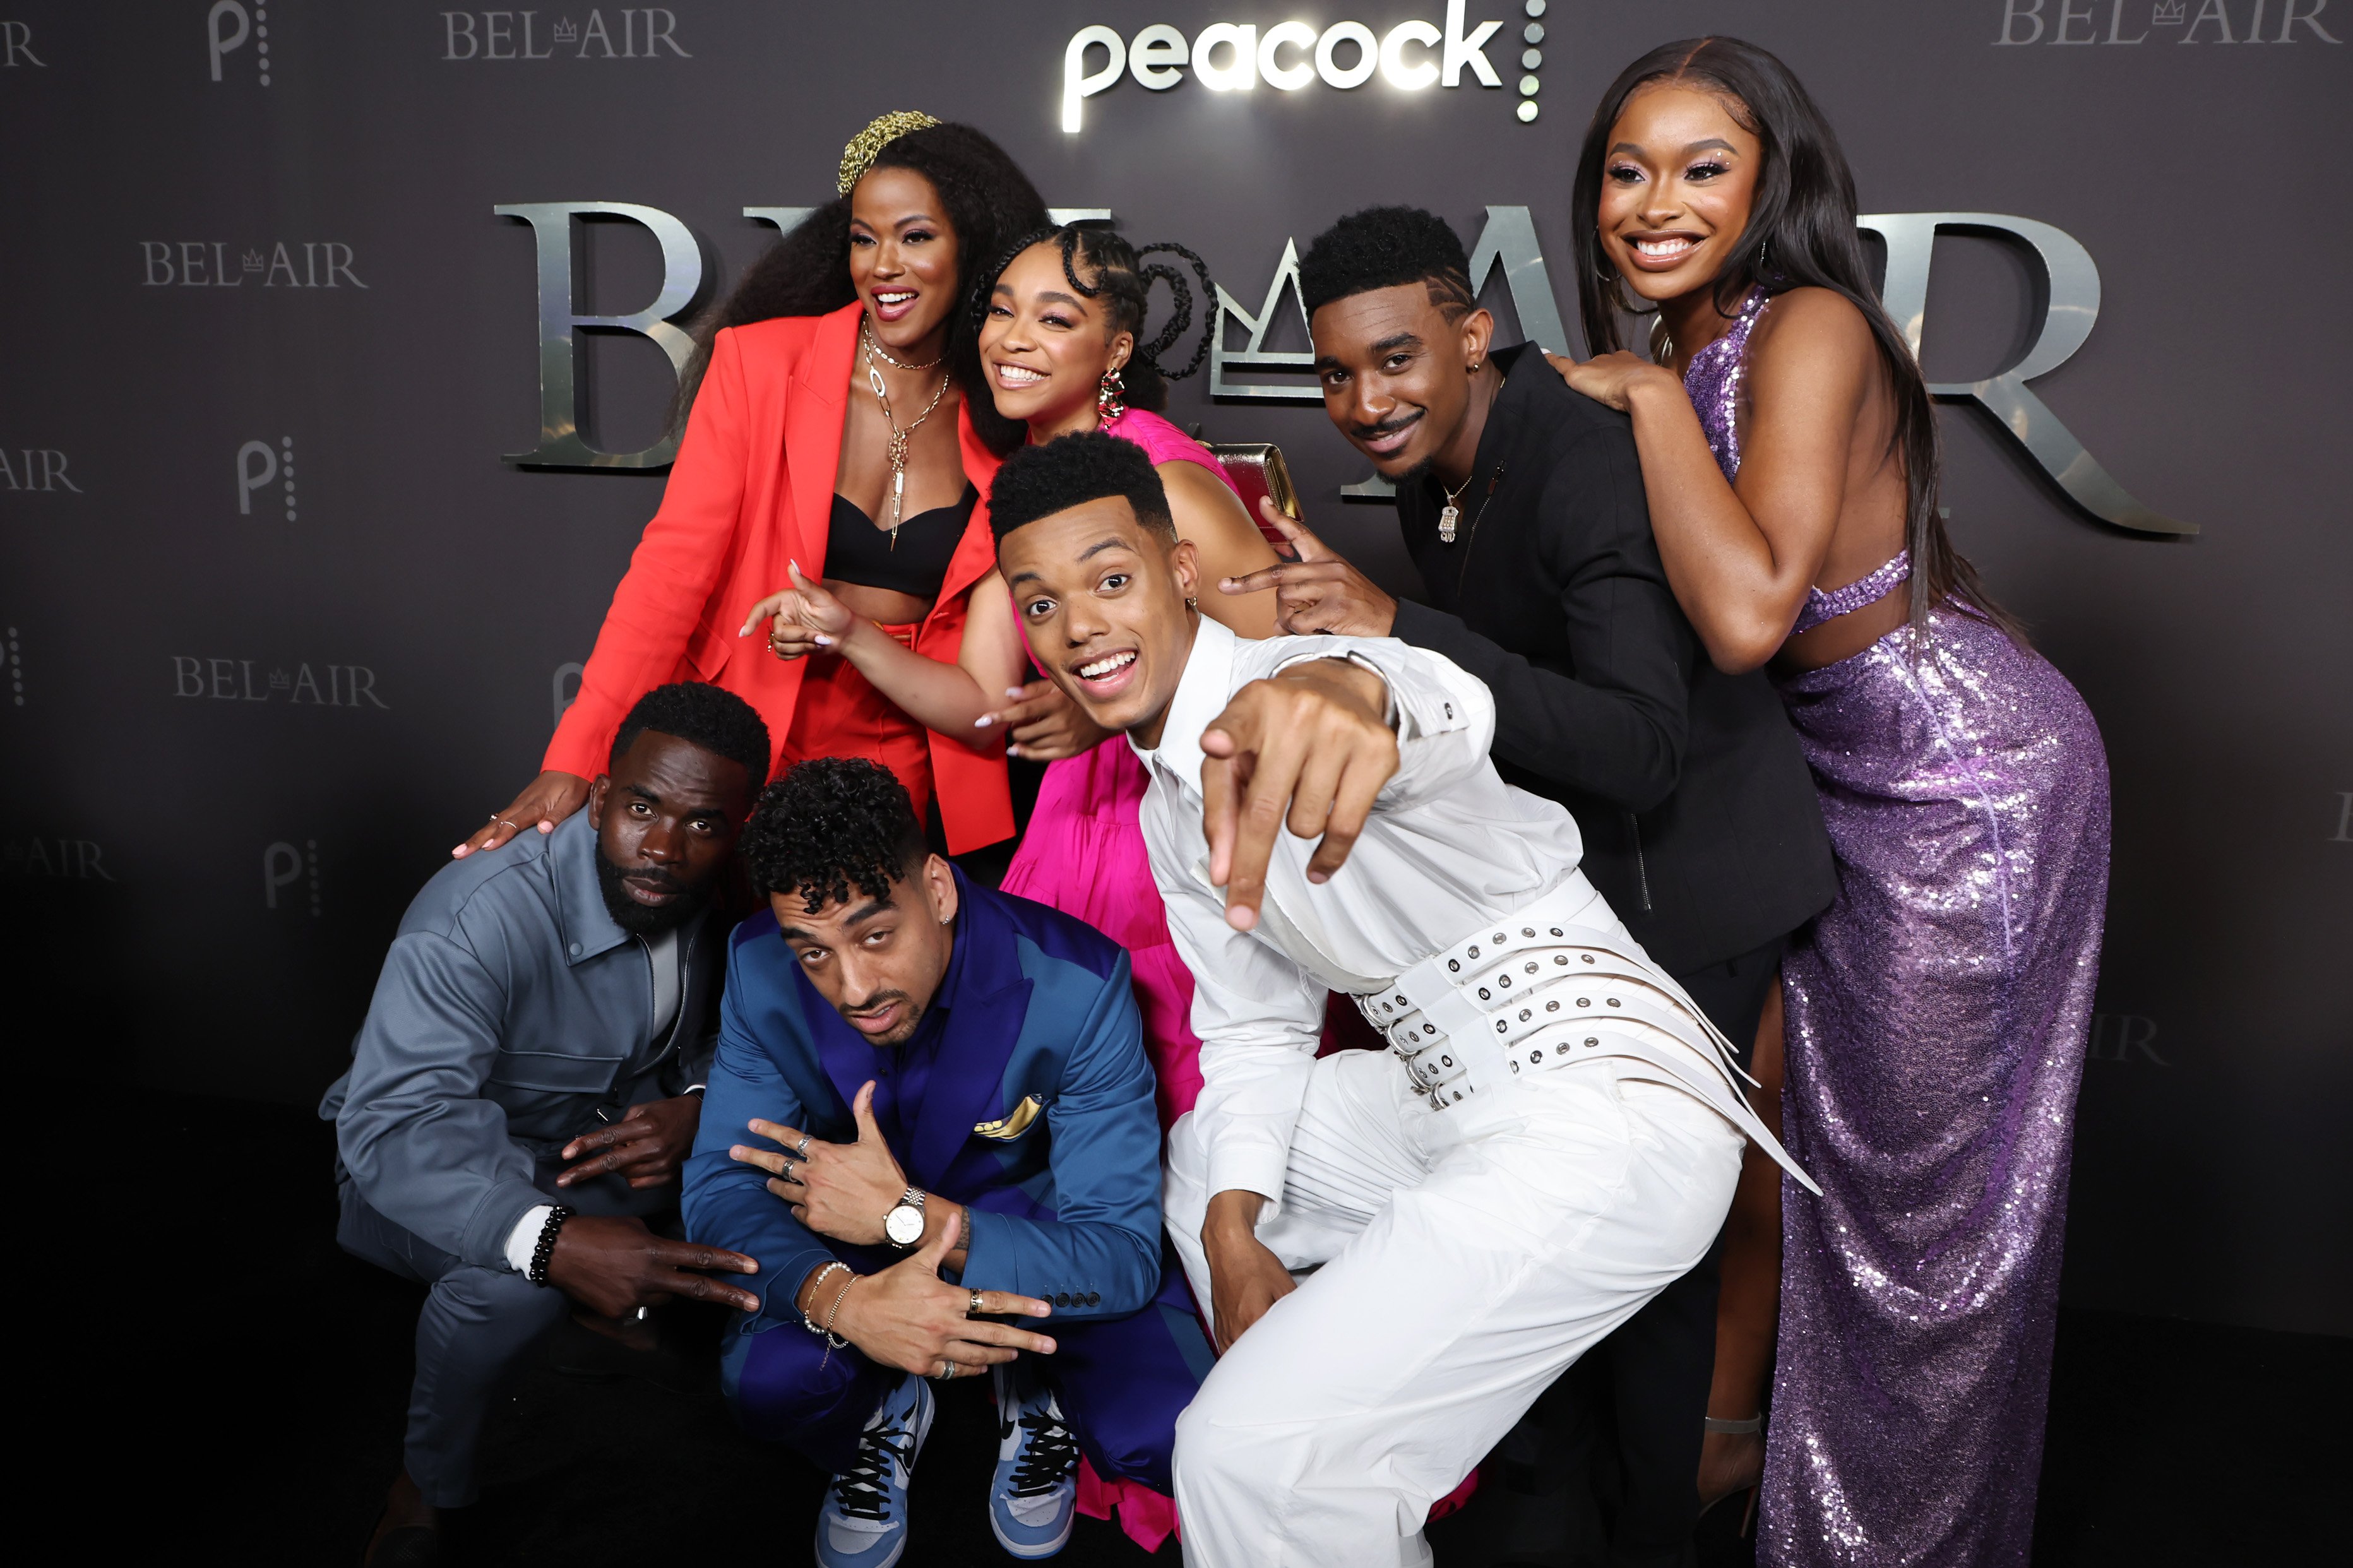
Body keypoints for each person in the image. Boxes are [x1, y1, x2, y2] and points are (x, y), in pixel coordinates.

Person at [986, 430, 1816, 1568]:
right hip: (1443, 1098)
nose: (1079, 626)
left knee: (1236, 1456)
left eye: (1110, 580)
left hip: (1606, 1111)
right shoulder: (1168, 810)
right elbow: (1254, 1026)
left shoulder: (1305, 679)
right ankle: (1322, 1432)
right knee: (1204, 1165)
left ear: (1181, 572)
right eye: (1040, 604)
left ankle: (1292, 1461)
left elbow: (1434, 706)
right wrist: (1231, 1232)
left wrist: (1353, 689)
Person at [1553, 37, 2111, 1565]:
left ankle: (1895, 1542)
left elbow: (1747, 616)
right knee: (1771, 1128)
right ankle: (1738, 1452)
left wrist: (1641, 404)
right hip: (1806, 779)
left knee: (1930, 1226)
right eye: (1626, 170)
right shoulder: (1684, 343)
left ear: (1772, 181)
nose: (1653, 204)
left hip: (1959, 790)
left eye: (1701, 168)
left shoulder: (1807, 326)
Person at [1224, 202, 1838, 1560]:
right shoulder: (1435, 463)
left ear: (1472, 334)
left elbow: (1640, 743)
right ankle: (1550, 1495)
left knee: (1653, 1248)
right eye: (1335, 374)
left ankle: (1652, 1531)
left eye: (1395, 360)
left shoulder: (1580, 464)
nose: (1365, 403)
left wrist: (1400, 626)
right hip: (1581, 895)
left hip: (1695, 886)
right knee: (1543, 1207)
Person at [744, 223, 1284, 1135]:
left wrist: (1106, 713)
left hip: (1182, 815)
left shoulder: (1164, 481)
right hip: (1074, 828)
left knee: (1196, 1096)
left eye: (1053, 318)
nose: (1012, 338)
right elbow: (983, 706)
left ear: (1115, 350)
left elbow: (1284, 659)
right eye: (1000, 312)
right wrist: (851, 635)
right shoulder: (1019, 487)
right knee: (1064, 1106)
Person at [454, 112, 1056, 868]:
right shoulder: (760, 364)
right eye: (863, 239)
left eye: (915, 237)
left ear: (973, 246)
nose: (883, 266)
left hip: (911, 741)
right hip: (748, 721)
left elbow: (1056, 586)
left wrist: (1078, 704)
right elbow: (670, 573)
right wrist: (576, 756)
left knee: (865, 932)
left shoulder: (1010, 406)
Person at [682, 757, 1212, 1567]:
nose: (852, 988)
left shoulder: (1077, 983)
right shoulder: (758, 966)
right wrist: (842, 1301)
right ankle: (880, 1411)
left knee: (1172, 1432)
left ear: (936, 888)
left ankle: (1029, 1386)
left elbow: (1122, 1253)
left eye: (875, 935)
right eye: (814, 953)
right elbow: (722, 1183)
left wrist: (909, 1219)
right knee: (767, 1386)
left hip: (1029, 1235)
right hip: (844, 1235)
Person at [323, 682, 774, 1567]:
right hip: (411, 1168)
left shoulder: (710, 894)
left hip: (579, 1150)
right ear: (599, 799)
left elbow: (739, 1035)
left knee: (754, 1165)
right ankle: (425, 1486)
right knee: (513, 1285)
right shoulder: (473, 919)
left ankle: (603, 1315)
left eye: (700, 824)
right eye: (640, 808)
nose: (663, 847)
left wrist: (696, 1107)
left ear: (733, 832)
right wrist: (551, 1242)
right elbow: (397, 1127)